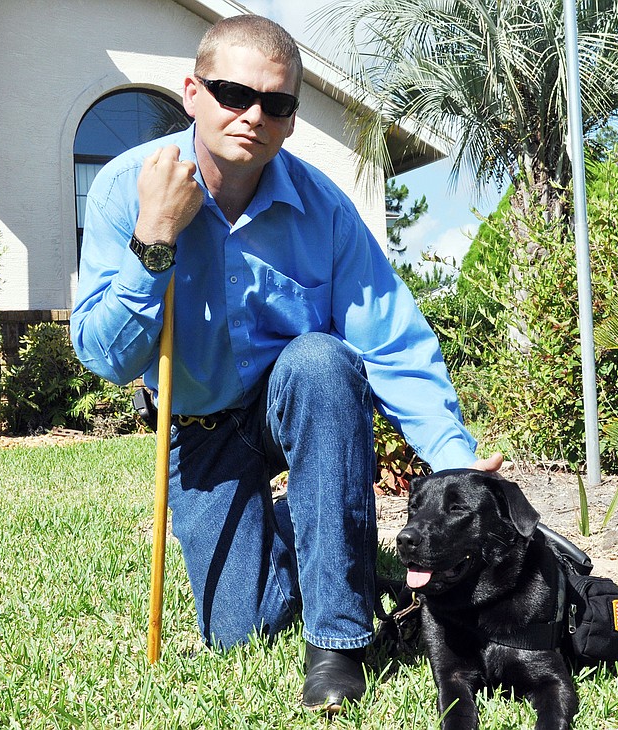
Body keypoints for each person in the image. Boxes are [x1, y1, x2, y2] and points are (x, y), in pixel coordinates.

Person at [71, 14, 501, 712]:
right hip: (199, 427)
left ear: (292, 118)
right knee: (241, 632)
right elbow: (108, 359)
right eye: (233, 94)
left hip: (293, 402)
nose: (253, 116)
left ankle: (337, 642)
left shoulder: (323, 209)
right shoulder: (127, 188)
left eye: (276, 103)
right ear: (193, 94)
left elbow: (389, 339)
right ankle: (305, 526)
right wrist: (156, 236)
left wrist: (454, 458)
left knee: (323, 361)